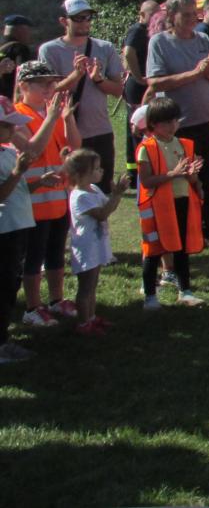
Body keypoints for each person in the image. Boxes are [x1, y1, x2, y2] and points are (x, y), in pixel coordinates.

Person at [146, 0, 209, 246]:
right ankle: (188, 229)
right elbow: (155, 82)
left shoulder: (204, 40)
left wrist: (207, 73)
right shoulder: (160, 42)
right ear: (172, 16)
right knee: (185, 178)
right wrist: (194, 73)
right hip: (180, 123)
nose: (191, 19)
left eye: (194, 14)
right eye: (185, 15)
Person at [15, 62, 81, 328]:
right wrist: (53, 118)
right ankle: (32, 306)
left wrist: (68, 118)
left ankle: (56, 299)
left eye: (52, 83)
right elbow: (33, 151)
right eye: (42, 83)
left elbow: (74, 145)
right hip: (33, 202)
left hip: (57, 198)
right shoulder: (18, 116)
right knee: (33, 256)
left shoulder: (49, 113)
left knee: (55, 252)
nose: (49, 88)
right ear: (23, 86)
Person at [0, 96, 64, 363]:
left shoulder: (7, 153)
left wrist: (38, 182)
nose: (13, 129)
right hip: (4, 230)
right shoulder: (9, 158)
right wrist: (18, 172)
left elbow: (19, 188)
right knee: (3, 286)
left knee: (10, 284)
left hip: (17, 227)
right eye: (7, 125)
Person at [39, 0, 124, 194]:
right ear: (64, 21)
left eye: (88, 17)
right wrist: (75, 75)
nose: (85, 22)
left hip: (101, 130)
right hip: (66, 133)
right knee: (70, 191)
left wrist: (99, 80)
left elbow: (118, 90)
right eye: (78, 18)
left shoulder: (105, 48)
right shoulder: (49, 50)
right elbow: (48, 92)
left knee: (101, 191)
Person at [137, 96, 206, 309]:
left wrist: (192, 174)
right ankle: (150, 296)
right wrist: (173, 174)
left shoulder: (183, 144)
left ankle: (185, 291)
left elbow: (190, 179)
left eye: (175, 121)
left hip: (182, 202)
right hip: (158, 208)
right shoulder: (147, 148)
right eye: (166, 122)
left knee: (182, 249)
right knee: (154, 250)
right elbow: (146, 181)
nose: (172, 126)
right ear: (153, 124)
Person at [65, 149, 128, 336]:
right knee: (86, 287)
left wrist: (117, 194)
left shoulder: (94, 189)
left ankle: (91, 318)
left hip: (97, 244)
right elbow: (101, 214)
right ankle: (83, 323)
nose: (101, 171)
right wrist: (116, 195)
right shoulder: (80, 196)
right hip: (86, 248)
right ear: (79, 175)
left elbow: (108, 207)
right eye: (96, 169)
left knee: (92, 285)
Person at [122, 0, 159, 188]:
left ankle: (136, 171)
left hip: (143, 84)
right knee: (139, 126)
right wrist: (138, 77)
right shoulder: (138, 30)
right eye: (152, 14)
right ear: (142, 14)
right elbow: (128, 52)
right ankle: (137, 173)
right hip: (138, 87)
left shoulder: (152, 31)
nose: (156, 17)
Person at [0, 14, 35, 99]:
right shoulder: (20, 48)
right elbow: (24, 75)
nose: (29, 35)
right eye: (27, 31)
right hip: (10, 99)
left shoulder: (2, 48)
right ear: (20, 31)